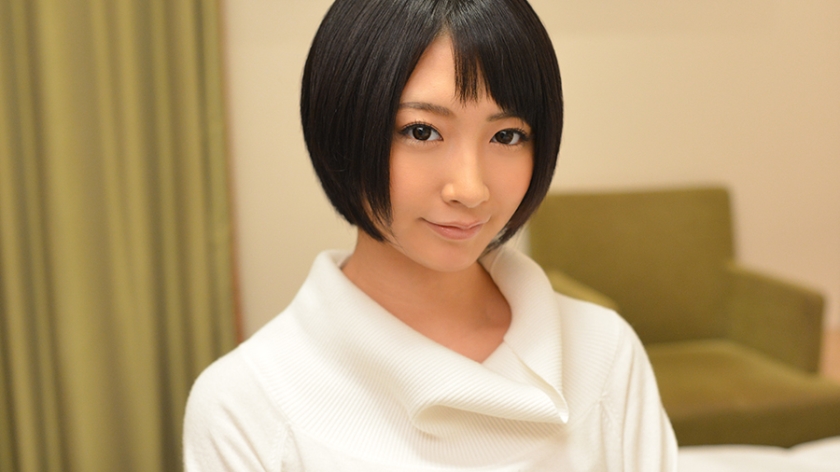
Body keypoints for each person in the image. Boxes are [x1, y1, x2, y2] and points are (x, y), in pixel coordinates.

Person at [184, 0, 678, 470]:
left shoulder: (603, 352)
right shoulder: (247, 405)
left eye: (506, 136)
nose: (470, 189)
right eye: (421, 131)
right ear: (341, 126)